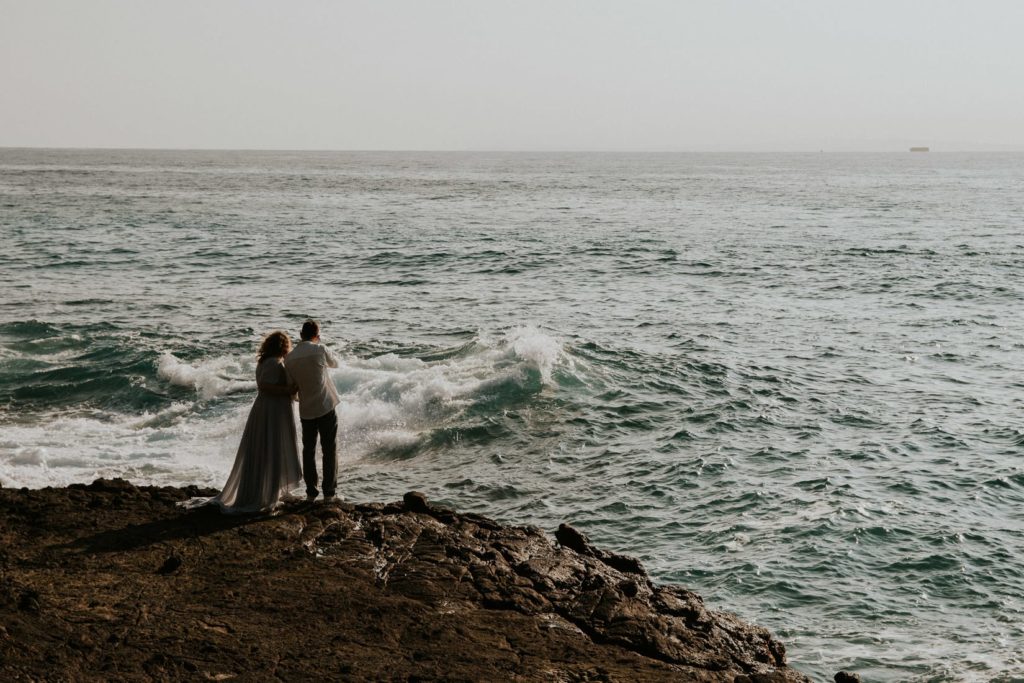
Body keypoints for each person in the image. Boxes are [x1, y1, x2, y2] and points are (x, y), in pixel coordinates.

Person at [179, 331, 302, 514]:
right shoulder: (273, 363)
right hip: (272, 410)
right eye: (287, 345)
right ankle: (266, 494)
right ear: (282, 346)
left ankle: (270, 490)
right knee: (271, 448)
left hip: (268, 409)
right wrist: (288, 389)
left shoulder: (265, 361)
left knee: (265, 449)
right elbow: (264, 386)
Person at [284, 319, 341, 501]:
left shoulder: (289, 358)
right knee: (329, 449)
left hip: (306, 409)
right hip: (325, 405)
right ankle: (329, 493)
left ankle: (311, 492)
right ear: (317, 335)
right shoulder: (320, 349)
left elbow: (291, 385)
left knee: (308, 450)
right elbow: (335, 363)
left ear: (301, 335)